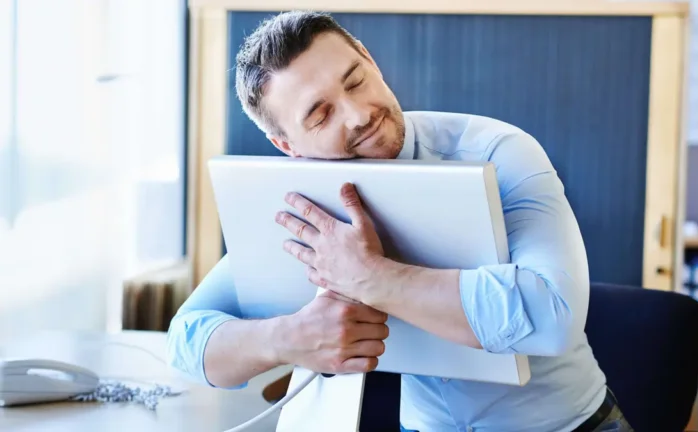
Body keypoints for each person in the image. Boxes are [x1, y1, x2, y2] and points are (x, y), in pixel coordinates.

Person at [166, 10, 634, 432]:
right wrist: (289, 338)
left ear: (370, 59)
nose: (359, 115)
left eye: (355, 81)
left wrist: (374, 280)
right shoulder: (304, 201)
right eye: (321, 113)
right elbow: (186, 340)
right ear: (286, 145)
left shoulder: (497, 152)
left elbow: (554, 315)